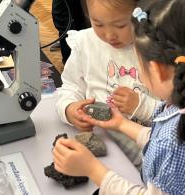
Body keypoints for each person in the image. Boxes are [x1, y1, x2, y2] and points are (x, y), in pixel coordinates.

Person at [52, 0, 185, 194]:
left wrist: (93, 170)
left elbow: (168, 148)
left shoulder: (173, 149)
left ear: (157, 70)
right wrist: (122, 124)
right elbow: (163, 136)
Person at [55, 0, 158, 169]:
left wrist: (140, 105)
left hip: (143, 157)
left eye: (120, 25)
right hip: (95, 152)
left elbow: (177, 115)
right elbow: (70, 86)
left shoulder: (155, 51)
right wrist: (69, 109)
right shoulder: (86, 43)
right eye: (98, 24)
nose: (109, 35)